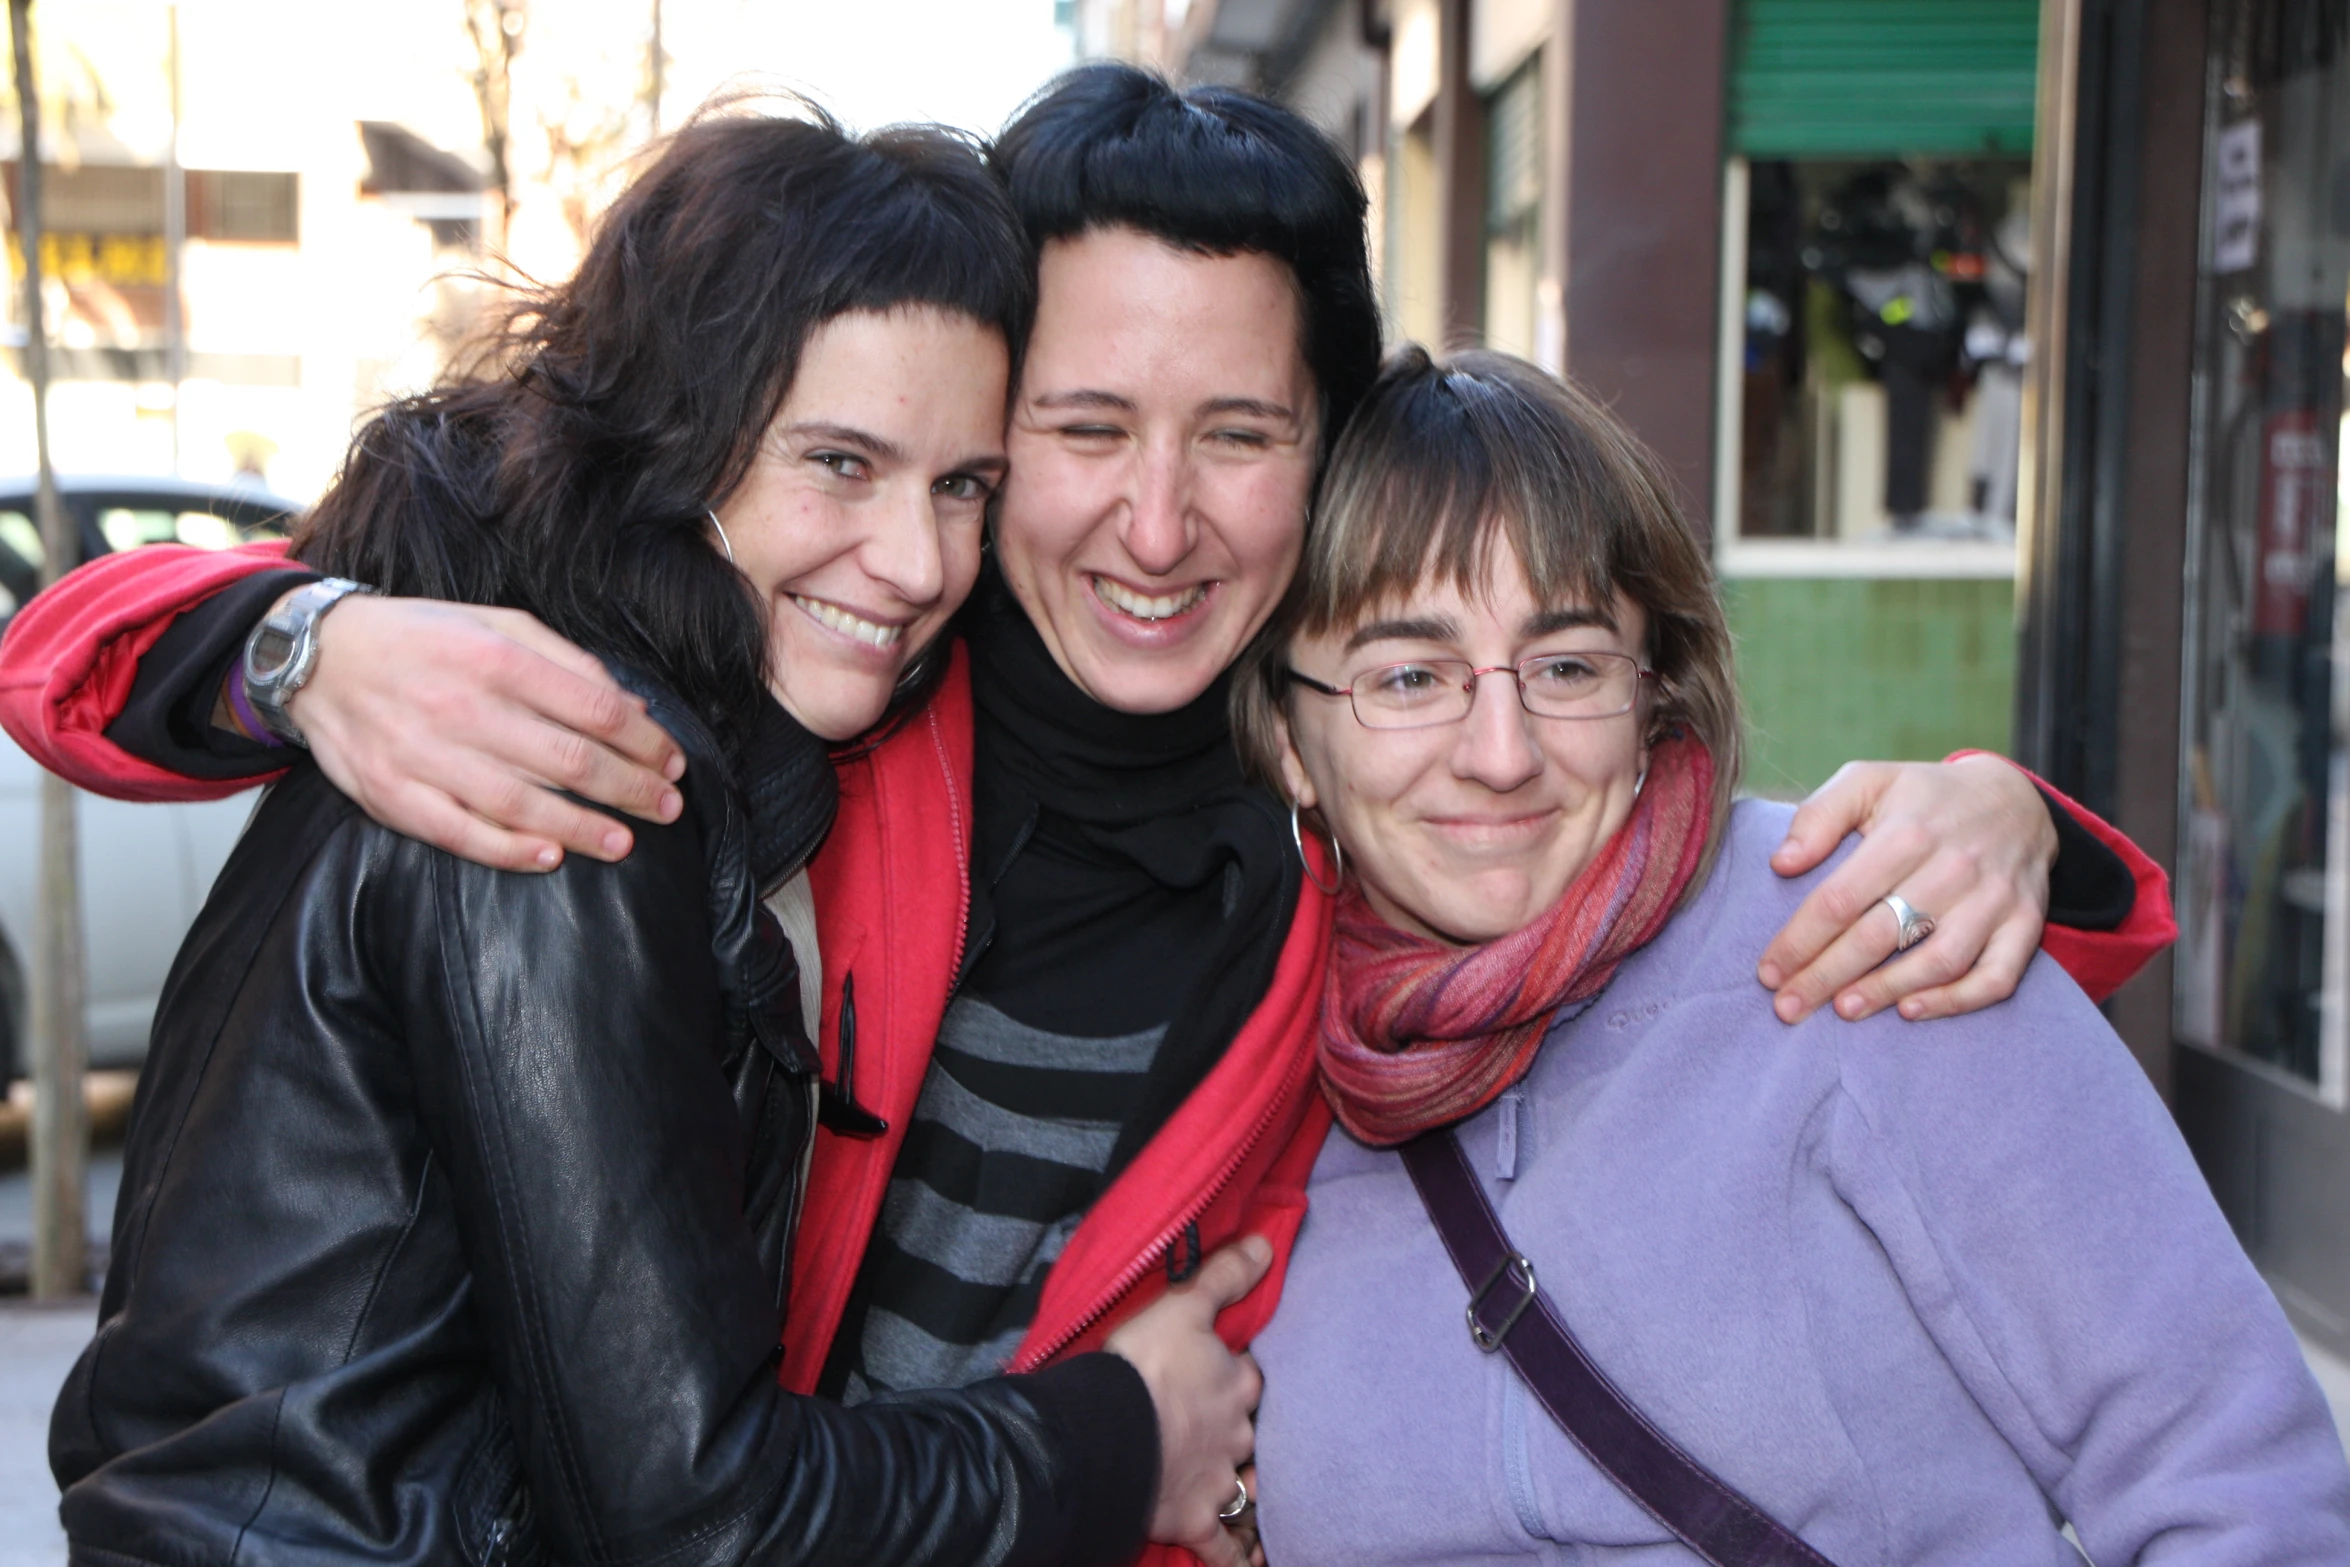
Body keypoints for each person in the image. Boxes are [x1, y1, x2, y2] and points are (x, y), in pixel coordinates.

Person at [2, 66, 2173, 1561]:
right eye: (1073, 429)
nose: (1150, 521)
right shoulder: (793, 722)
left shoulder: (1348, 828)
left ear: (1323, 459)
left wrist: (2006, 829)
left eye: (1233, 433)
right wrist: (305, 644)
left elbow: (1664, 901)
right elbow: (73, 658)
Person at [42, 104, 1270, 1567]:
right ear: (681, 435)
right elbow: (697, 1517)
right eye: (838, 463)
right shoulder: (562, 766)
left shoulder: (622, 693)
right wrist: (1125, 1433)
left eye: (961, 486)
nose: (919, 559)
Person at [1239, 347, 2350, 1562]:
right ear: (1290, 738)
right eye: (1409, 675)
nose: (1499, 751)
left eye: (1566, 666)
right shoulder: (1242, 1079)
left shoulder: (1871, 935)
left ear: (1656, 685)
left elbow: (2236, 1480)